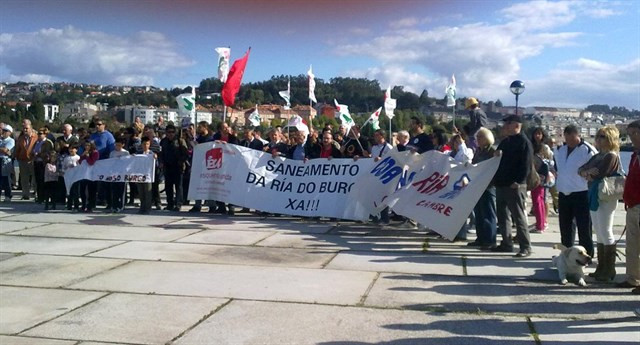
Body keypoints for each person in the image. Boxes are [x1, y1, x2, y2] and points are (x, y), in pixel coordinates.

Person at [578, 125, 622, 281]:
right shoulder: (598, 155)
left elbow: (601, 173)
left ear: (610, 138)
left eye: (602, 136)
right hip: (594, 195)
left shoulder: (611, 156)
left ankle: (609, 268)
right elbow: (581, 169)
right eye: (598, 136)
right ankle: (601, 267)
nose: (598, 139)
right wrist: (588, 172)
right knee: (598, 230)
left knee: (606, 230)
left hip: (605, 197)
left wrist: (589, 173)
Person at [492, 115, 533, 257]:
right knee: (502, 216)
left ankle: (525, 246)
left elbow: (526, 164)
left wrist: (519, 181)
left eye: (508, 123)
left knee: (518, 216)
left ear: (517, 125)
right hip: (502, 183)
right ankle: (506, 243)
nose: (505, 126)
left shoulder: (524, 142)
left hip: (515, 185)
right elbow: (498, 159)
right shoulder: (506, 141)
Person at [554, 124, 597, 257]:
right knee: (565, 227)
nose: (569, 142)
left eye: (572, 138)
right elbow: (557, 167)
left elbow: (596, 169)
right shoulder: (560, 149)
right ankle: (566, 254)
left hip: (581, 192)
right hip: (564, 192)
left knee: (584, 227)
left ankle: (587, 254)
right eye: (567, 138)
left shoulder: (588, 150)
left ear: (578, 135)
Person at [618, 120, 640, 293]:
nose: (632, 138)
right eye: (631, 134)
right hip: (632, 205)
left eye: (635, 133)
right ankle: (633, 278)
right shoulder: (634, 155)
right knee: (632, 245)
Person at [468, 127, 497, 249]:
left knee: (488, 214)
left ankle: (489, 240)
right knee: (479, 213)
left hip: (488, 186)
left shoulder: (492, 151)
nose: (477, 140)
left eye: (480, 137)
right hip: (478, 186)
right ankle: (480, 238)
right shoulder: (478, 151)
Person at [449, 134, 474, 241]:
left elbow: (465, 158)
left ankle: (462, 233)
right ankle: (453, 232)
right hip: (452, 183)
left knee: (462, 210)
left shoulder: (468, 150)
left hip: (463, 183)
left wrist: (462, 145)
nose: (457, 144)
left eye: (459, 142)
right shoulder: (450, 153)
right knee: (453, 210)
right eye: (455, 142)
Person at [159, 124, 188, 211]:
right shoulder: (163, 141)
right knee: (168, 187)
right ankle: (170, 204)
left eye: (172, 132)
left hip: (178, 167)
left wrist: (181, 161)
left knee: (178, 186)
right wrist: (161, 162)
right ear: (166, 133)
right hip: (167, 166)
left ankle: (178, 204)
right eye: (169, 132)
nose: (170, 134)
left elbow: (185, 153)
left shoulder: (180, 141)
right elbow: (161, 153)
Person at [89, 118, 115, 208]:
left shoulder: (109, 136)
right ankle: (92, 203)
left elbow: (112, 149)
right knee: (92, 183)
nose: (97, 126)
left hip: (104, 162)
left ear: (104, 125)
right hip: (93, 162)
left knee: (105, 183)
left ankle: (108, 202)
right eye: (96, 124)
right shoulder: (93, 136)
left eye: (99, 124)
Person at [530, 128, 552, 233]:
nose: (537, 136)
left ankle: (540, 225)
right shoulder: (531, 146)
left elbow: (548, 163)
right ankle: (541, 223)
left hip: (541, 176)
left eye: (539, 134)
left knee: (539, 200)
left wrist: (547, 175)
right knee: (539, 200)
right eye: (535, 133)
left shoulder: (544, 147)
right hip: (534, 175)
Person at [370, 129, 393, 224]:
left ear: (382, 136)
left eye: (377, 135)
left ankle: (385, 218)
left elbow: (393, 159)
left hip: (384, 176)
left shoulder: (388, 147)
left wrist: (382, 159)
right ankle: (374, 216)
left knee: (383, 198)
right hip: (375, 175)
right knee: (374, 197)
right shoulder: (374, 148)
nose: (375, 137)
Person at [15, 121, 38, 200]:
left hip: (33, 160)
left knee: (35, 178)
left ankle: (36, 193)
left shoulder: (36, 137)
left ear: (31, 129)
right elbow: (17, 149)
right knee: (24, 179)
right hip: (23, 160)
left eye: (27, 128)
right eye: (24, 128)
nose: (25, 130)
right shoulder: (20, 139)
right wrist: (17, 157)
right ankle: (25, 194)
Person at [32, 127, 54, 204]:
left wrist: (39, 154)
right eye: (38, 133)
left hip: (43, 163)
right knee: (38, 181)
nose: (39, 135)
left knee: (43, 181)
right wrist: (33, 154)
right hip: (36, 163)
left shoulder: (48, 142)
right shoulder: (37, 142)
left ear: (45, 134)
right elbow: (33, 150)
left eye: (41, 134)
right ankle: (39, 197)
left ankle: (44, 197)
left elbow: (49, 153)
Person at [108, 137, 130, 213]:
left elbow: (128, 163)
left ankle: (121, 206)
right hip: (114, 174)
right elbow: (109, 162)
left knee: (122, 191)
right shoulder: (112, 153)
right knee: (114, 191)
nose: (117, 146)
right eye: (116, 145)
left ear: (123, 145)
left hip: (122, 174)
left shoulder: (126, 153)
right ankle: (114, 205)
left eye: (119, 145)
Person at [137, 137, 157, 214]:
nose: (145, 145)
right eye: (144, 144)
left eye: (147, 144)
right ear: (141, 144)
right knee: (141, 192)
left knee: (148, 192)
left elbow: (156, 165)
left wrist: (155, 158)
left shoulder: (151, 154)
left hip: (148, 175)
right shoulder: (138, 153)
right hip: (139, 175)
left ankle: (148, 208)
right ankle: (142, 207)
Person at [79, 141, 99, 213]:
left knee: (91, 191)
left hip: (92, 174)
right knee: (82, 190)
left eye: (88, 145)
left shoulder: (95, 153)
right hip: (84, 174)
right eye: (85, 145)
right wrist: (82, 156)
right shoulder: (85, 152)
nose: (86, 147)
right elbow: (80, 162)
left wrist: (87, 156)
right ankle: (83, 205)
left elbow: (91, 162)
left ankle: (90, 206)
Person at [62, 144, 81, 211]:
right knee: (69, 191)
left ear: (76, 150)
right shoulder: (66, 158)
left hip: (76, 177)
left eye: (73, 149)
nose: (71, 150)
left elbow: (80, 167)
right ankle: (69, 205)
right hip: (68, 176)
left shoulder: (78, 158)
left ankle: (76, 206)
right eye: (70, 149)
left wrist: (75, 165)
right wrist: (66, 168)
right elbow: (63, 167)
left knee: (76, 191)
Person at [0, 124, 15, 202]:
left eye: (6, 131)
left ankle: (8, 195)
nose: (4, 132)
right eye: (3, 130)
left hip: (5, 161)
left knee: (6, 179)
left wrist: (4, 150)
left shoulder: (10, 140)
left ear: (9, 132)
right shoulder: (1, 140)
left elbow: (6, 150)